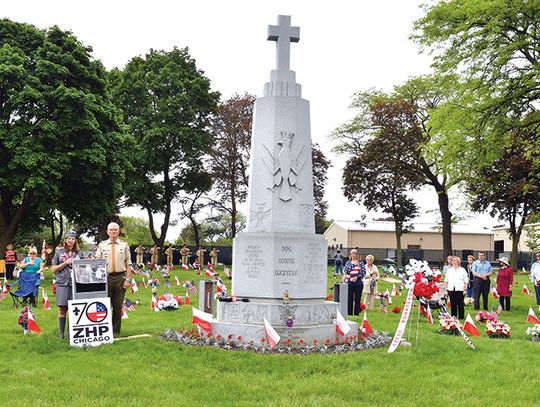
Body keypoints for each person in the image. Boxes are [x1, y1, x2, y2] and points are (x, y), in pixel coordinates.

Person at [95, 222, 133, 335]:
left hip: (120, 278)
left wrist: (128, 279)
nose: (113, 232)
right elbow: (97, 263)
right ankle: (104, 331)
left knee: (117, 306)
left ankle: (115, 332)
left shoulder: (124, 245)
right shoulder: (102, 245)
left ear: (118, 231)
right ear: (107, 231)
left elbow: (128, 263)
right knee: (104, 305)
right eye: (111, 230)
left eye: (115, 230)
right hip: (106, 278)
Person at [51, 231, 82, 339]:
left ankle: (71, 334)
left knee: (73, 309)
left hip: (75, 284)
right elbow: (53, 269)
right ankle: (61, 335)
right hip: (62, 283)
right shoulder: (59, 252)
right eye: (68, 238)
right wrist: (65, 262)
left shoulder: (79, 253)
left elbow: (83, 269)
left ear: (75, 241)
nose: (70, 240)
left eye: (73, 238)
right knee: (62, 309)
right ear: (65, 240)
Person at [342, 249, 366, 316]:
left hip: (358, 283)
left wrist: (357, 277)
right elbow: (347, 271)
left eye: (354, 253)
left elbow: (363, 273)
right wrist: (353, 265)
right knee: (349, 298)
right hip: (350, 282)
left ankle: (356, 313)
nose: (353, 255)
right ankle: (349, 313)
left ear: (357, 255)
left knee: (358, 298)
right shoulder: (348, 263)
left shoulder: (360, 263)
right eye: (351, 253)